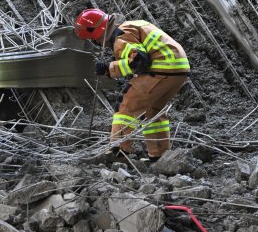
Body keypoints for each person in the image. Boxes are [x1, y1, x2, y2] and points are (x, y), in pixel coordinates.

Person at [74, 8, 190, 160]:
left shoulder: (121, 35)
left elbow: (139, 60)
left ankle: (119, 152)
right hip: (177, 69)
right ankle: (159, 156)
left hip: (162, 68)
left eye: (92, 39)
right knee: (151, 110)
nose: (95, 43)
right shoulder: (131, 25)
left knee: (126, 104)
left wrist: (109, 68)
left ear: (96, 32)